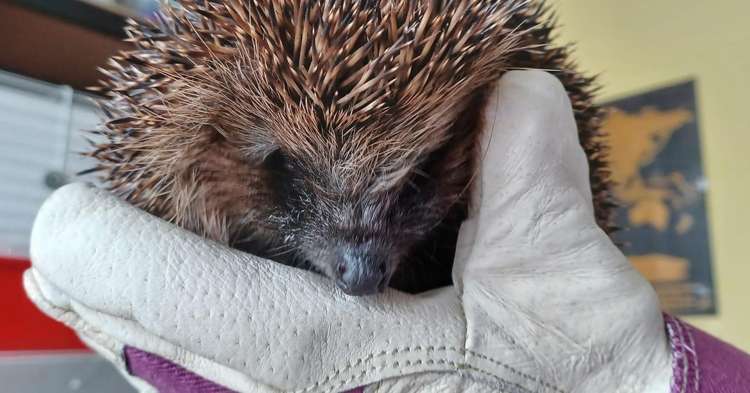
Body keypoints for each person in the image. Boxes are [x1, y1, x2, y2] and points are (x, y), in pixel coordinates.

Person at [25, 71, 750, 393]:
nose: (359, 267)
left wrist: (639, 380)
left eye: (408, 188)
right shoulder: (195, 148)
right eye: (304, 186)